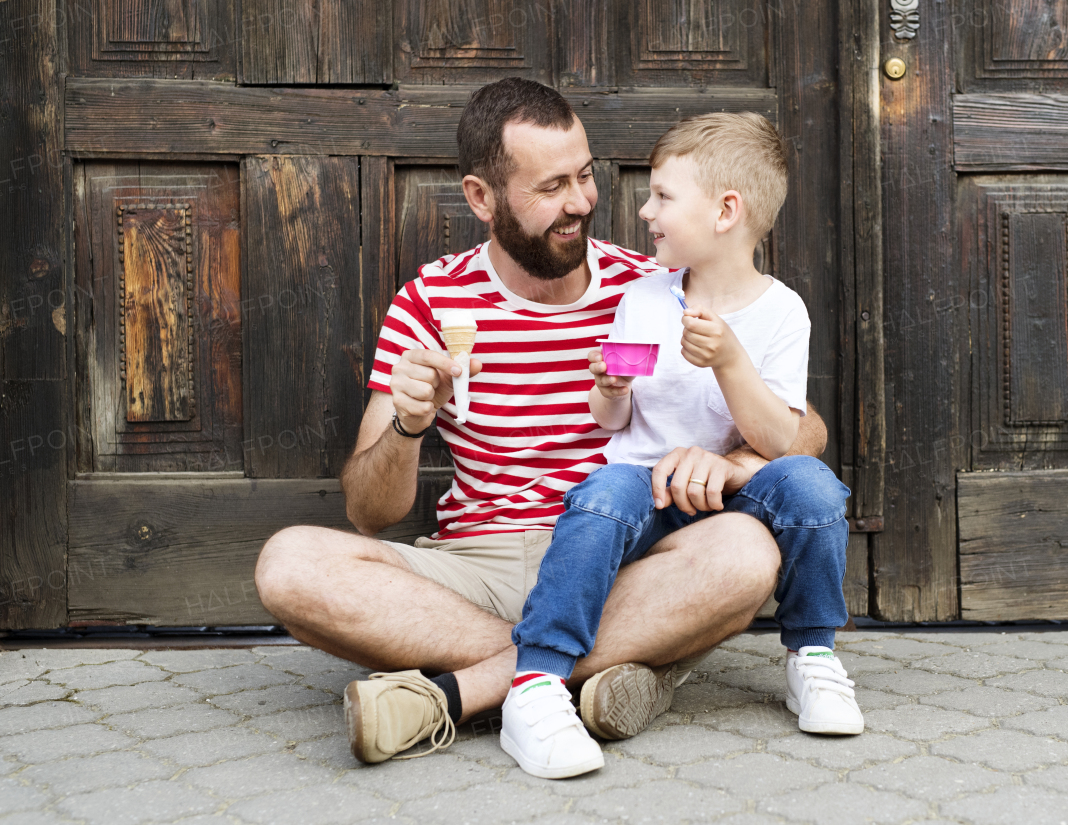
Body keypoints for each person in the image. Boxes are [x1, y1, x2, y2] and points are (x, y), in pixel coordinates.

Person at [252, 78, 831, 767]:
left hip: (623, 556)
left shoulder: (649, 283)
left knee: (746, 551)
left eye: (584, 176)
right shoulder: (431, 301)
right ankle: (609, 666)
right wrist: (408, 425)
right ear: (480, 197)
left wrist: (736, 465)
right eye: (551, 186)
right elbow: (369, 511)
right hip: (474, 559)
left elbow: (804, 430)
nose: (582, 202)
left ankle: (457, 694)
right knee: (288, 564)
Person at [501, 113, 863, 779]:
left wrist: (729, 360)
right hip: (643, 482)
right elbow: (613, 421)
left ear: (727, 211)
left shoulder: (783, 312)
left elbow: (784, 440)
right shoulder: (643, 297)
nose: (645, 211)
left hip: (733, 495)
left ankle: (813, 654)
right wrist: (608, 386)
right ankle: (535, 682)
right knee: (600, 494)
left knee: (813, 488)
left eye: (663, 196)